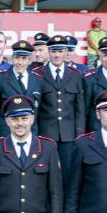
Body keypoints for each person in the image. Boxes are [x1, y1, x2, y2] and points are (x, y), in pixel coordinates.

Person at [34, 35, 86, 185]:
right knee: (44, 173)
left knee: (68, 175)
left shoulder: (75, 74)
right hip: (46, 133)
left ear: (66, 52)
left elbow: (79, 107)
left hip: (69, 135)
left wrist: (79, 133)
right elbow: (36, 108)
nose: (57, 55)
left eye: (60, 51)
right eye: (54, 51)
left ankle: (66, 208)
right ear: (49, 52)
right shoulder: (38, 73)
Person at [0, 40, 43, 139]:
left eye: (24, 58)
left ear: (30, 61)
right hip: (5, 134)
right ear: (12, 59)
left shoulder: (38, 80)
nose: (20, 62)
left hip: (31, 135)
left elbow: (38, 113)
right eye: (17, 58)